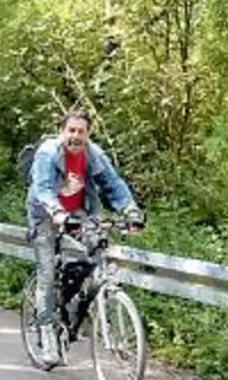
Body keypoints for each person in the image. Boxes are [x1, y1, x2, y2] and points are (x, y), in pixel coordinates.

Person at [25, 109, 144, 365]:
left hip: (79, 211)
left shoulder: (94, 154)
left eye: (81, 131)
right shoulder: (48, 153)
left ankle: (74, 306)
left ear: (88, 134)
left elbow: (113, 184)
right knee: (46, 272)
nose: (76, 136)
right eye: (71, 130)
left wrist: (130, 211)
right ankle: (47, 335)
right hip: (46, 214)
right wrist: (57, 213)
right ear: (62, 131)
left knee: (96, 249)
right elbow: (43, 188)